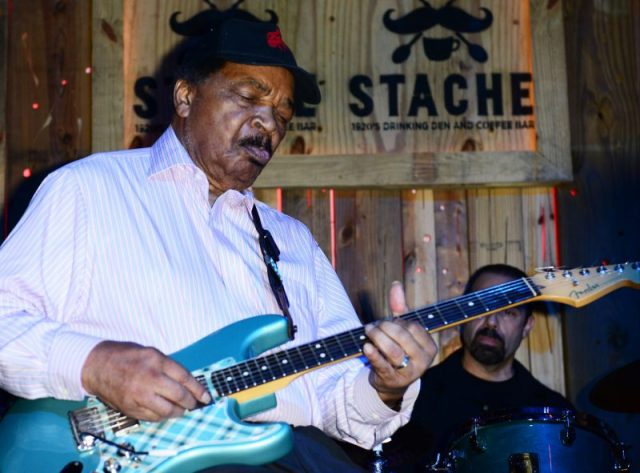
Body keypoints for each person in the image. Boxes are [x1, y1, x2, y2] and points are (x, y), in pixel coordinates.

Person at [0, 18, 437, 472]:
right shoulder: (89, 189)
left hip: (294, 455)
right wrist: (95, 364)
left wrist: (388, 384)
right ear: (186, 97)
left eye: (283, 114)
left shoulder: (293, 242)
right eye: (249, 98)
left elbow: (336, 405)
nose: (268, 123)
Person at [341, 264, 573, 472]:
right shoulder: (414, 397)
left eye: (509, 312)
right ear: (465, 312)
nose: (491, 322)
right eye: (481, 307)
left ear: (527, 326)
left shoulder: (553, 415)